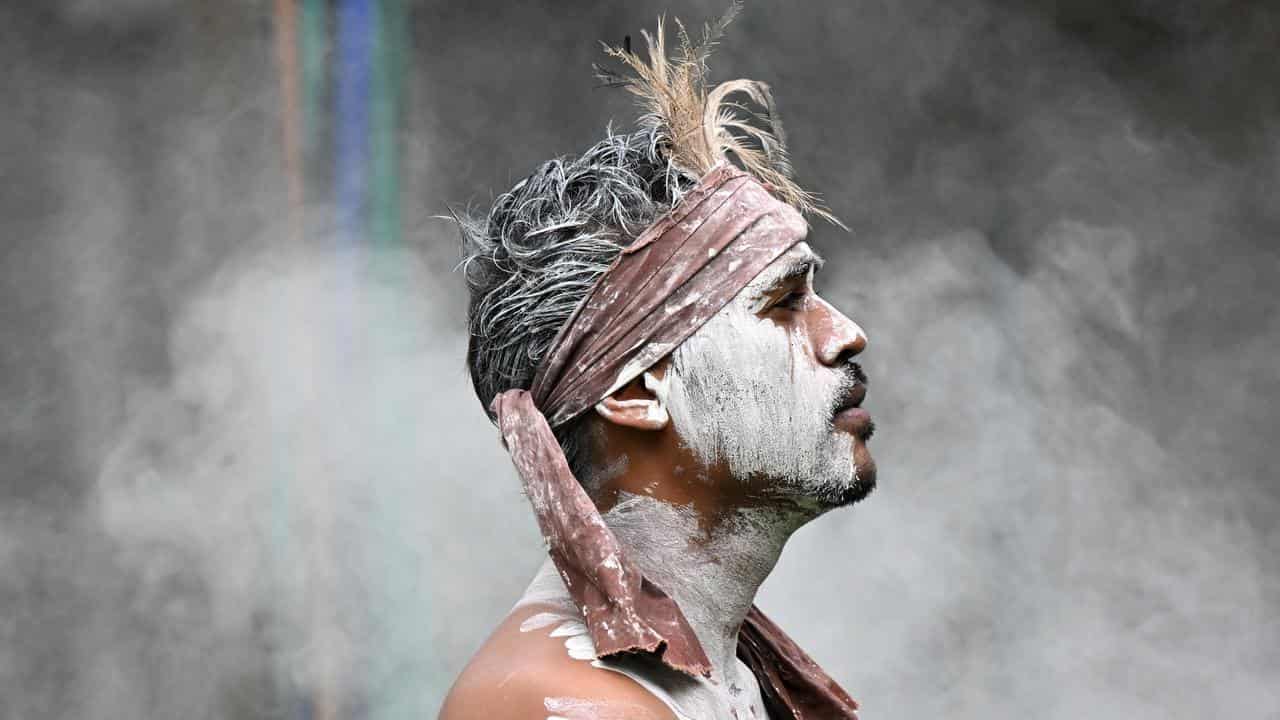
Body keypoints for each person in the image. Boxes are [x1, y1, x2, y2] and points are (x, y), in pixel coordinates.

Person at [440, 11, 873, 719]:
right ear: (640, 390)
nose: (846, 334)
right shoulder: (560, 705)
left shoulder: (725, 684)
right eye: (785, 302)